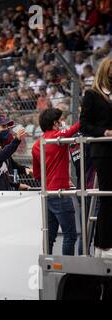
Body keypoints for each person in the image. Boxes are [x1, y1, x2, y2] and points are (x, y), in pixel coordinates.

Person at [32, 108, 80, 256]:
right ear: (54, 122)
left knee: (50, 237)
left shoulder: (36, 144)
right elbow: (74, 129)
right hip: (60, 193)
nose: (62, 123)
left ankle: (48, 268)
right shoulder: (58, 138)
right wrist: (87, 114)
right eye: (60, 120)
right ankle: (68, 271)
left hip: (47, 192)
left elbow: (37, 174)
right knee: (70, 235)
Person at [79, 57, 112, 258]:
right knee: (108, 199)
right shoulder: (92, 94)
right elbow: (84, 126)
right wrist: (105, 132)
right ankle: (103, 245)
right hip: (103, 151)